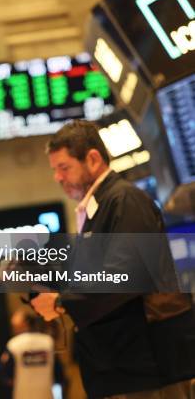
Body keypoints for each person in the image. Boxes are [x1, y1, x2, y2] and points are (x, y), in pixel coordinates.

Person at [31, 120, 195, 398]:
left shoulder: (124, 199)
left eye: (64, 167)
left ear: (92, 159)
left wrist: (61, 303)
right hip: (122, 370)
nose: (58, 177)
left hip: (148, 370)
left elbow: (124, 277)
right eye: (54, 170)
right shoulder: (98, 208)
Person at [0, 308, 64, 399]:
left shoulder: (13, 345)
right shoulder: (48, 342)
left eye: (15, 326)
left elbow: (6, 374)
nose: (13, 328)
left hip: (23, 395)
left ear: (26, 323)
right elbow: (59, 373)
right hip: (46, 394)